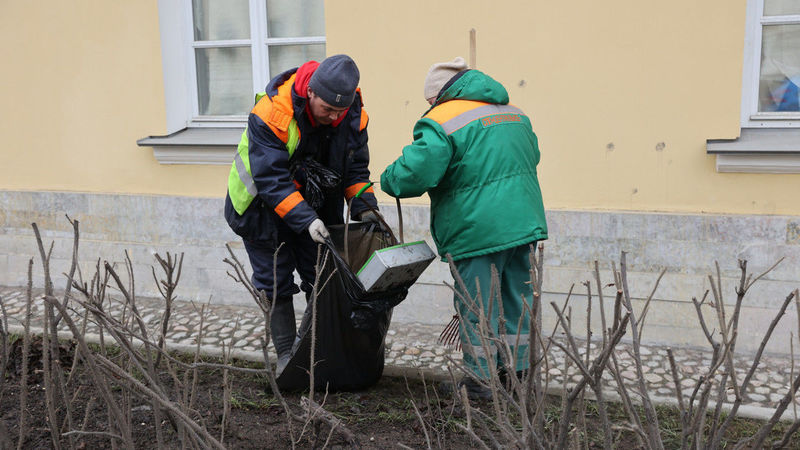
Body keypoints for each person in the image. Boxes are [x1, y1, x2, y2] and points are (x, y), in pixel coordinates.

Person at [380, 57, 548, 399]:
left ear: (437, 96)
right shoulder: (514, 112)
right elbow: (533, 155)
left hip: (478, 229)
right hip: (523, 223)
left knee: (477, 307)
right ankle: (518, 378)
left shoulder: (441, 119)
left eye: (429, 101)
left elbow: (418, 172)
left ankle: (480, 385)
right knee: (518, 301)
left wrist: (389, 179)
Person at [225, 54, 382, 371]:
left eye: (340, 110)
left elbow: (355, 172)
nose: (334, 117)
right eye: (327, 109)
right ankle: (286, 357)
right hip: (261, 210)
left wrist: (367, 211)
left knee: (323, 277)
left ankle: (320, 352)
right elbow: (271, 180)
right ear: (311, 91)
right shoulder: (272, 113)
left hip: (316, 209)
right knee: (275, 282)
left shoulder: (352, 116)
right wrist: (308, 220)